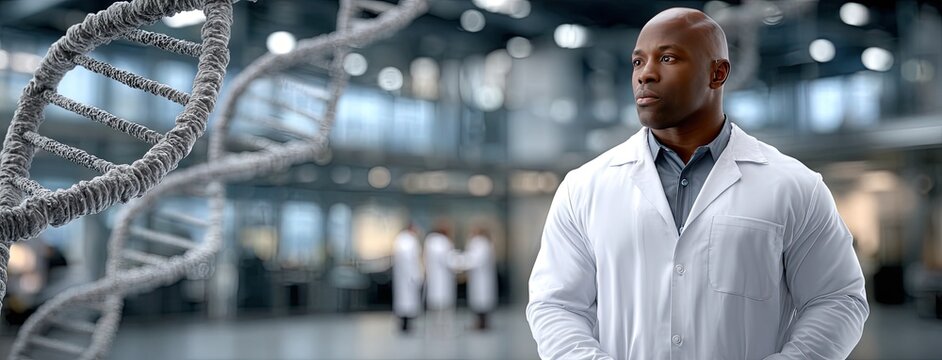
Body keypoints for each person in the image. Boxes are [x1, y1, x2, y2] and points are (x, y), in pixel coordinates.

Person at [526, 8, 868, 360]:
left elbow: (837, 299)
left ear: (717, 73)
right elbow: (556, 306)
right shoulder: (584, 187)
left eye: (668, 58)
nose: (645, 75)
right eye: (637, 62)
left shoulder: (794, 186)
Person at [463, 227, 497, 330]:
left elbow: (475, 260)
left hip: (481, 279)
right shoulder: (484, 243)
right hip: (479, 278)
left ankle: (482, 324)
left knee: (482, 302)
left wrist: (462, 262)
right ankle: (480, 323)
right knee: (480, 301)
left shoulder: (481, 243)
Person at [392, 223, 423, 332]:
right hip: (409, 277)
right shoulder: (410, 241)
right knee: (407, 302)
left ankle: (404, 324)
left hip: (402, 277)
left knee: (404, 302)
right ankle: (406, 324)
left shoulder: (400, 240)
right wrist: (417, 275)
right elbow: (412, 261)